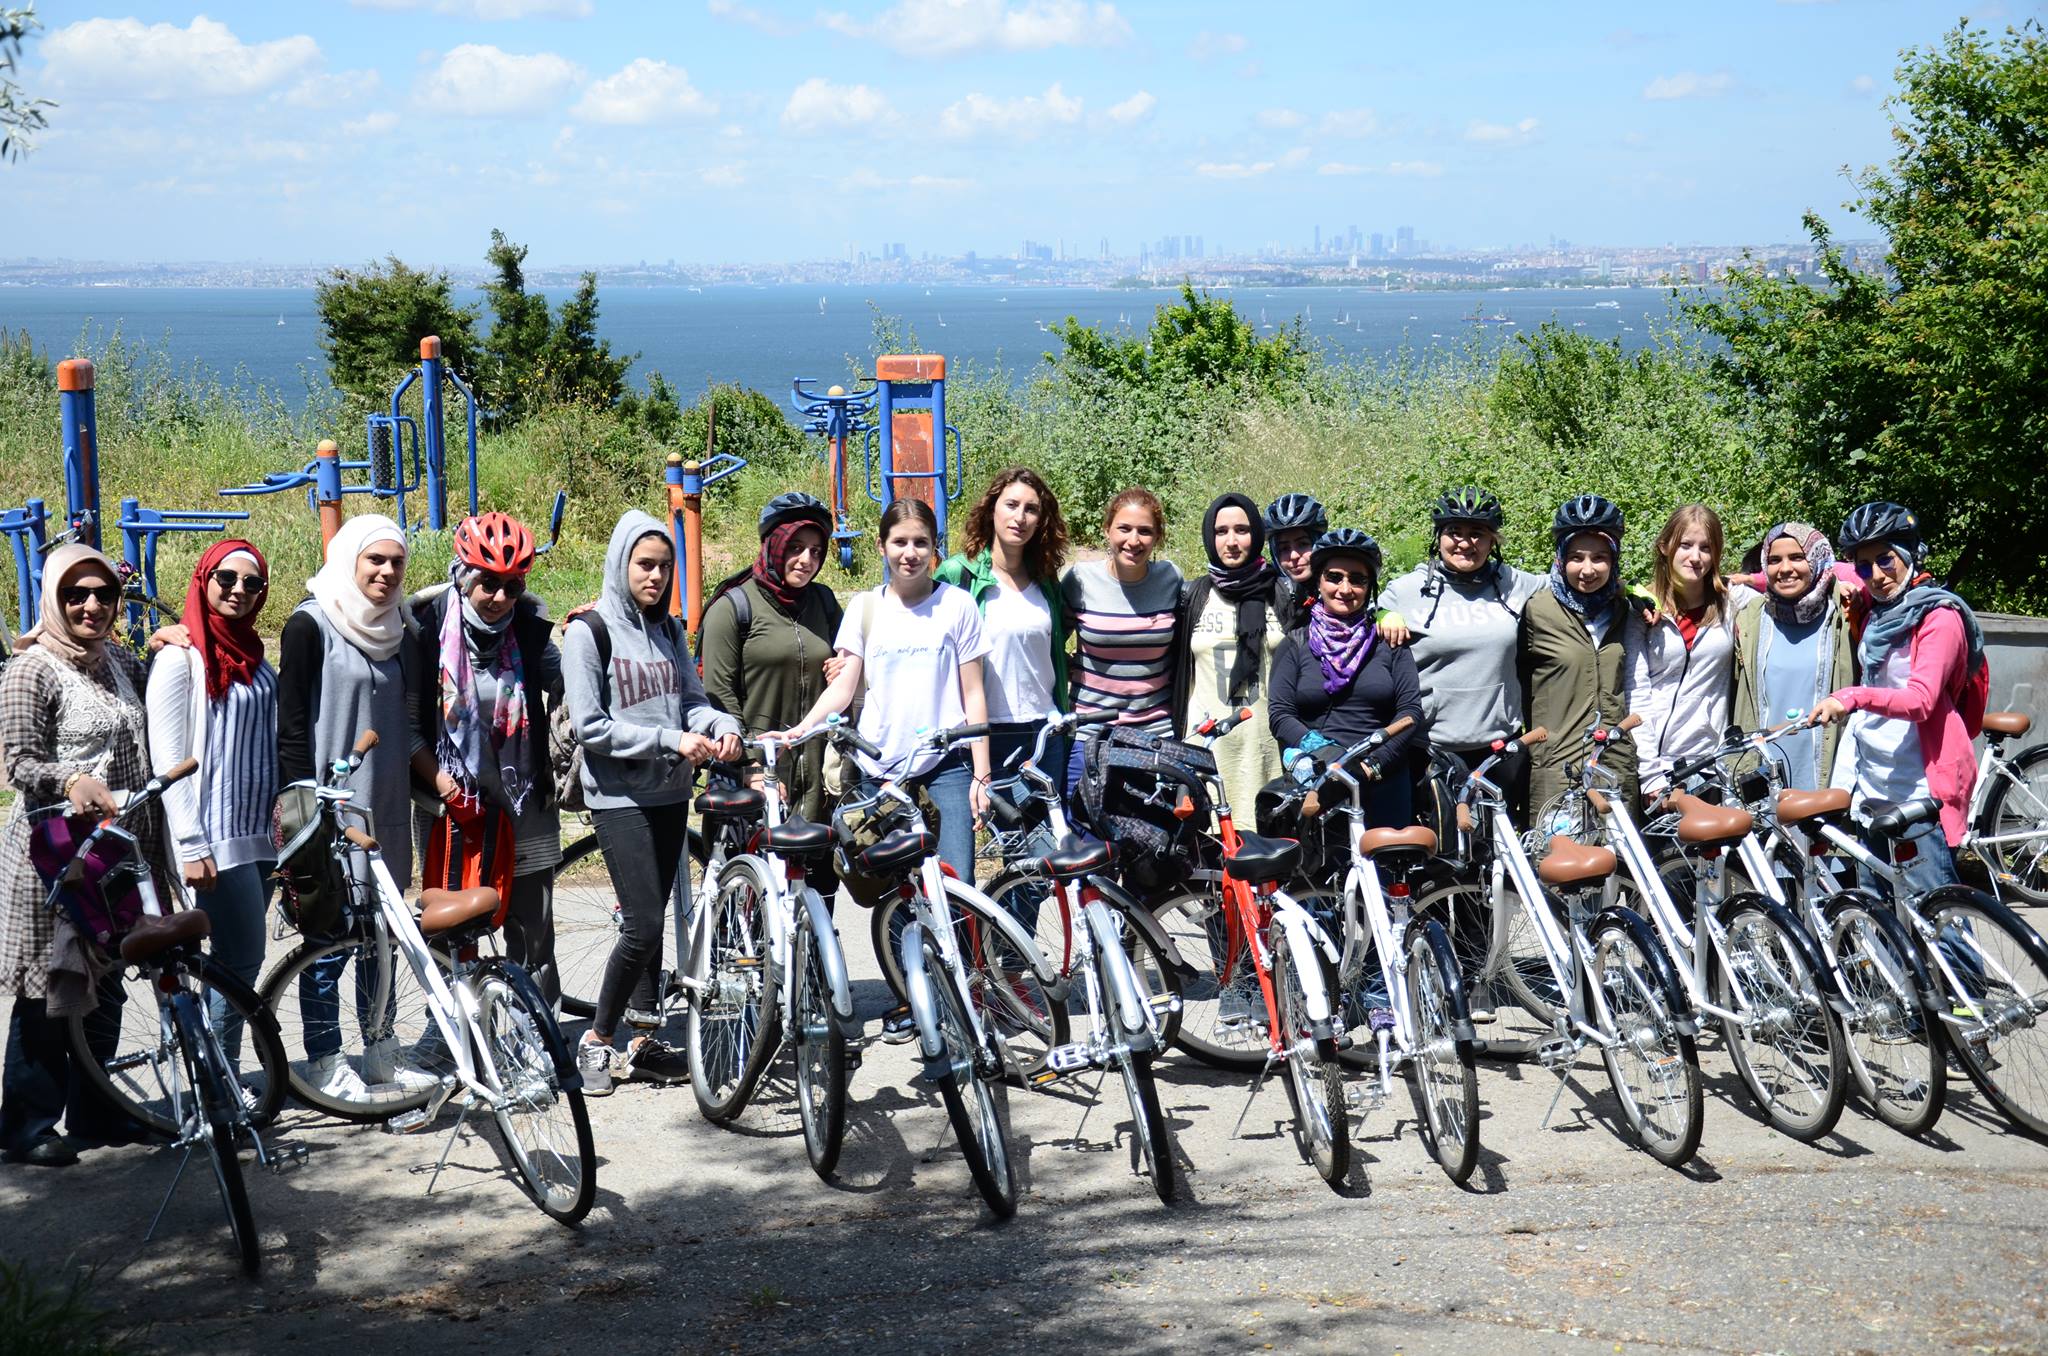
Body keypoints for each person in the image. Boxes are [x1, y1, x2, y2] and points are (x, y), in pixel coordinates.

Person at [784, 497, 993, 1041]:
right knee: (897, 891)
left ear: (934, 548)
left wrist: (981, 774)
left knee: (954, 885)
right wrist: (801, 728)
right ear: (882, 546)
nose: (910, 553)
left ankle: (959, 1001)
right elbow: (844, 687)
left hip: (946, 765)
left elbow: (974, 693)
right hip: (880, 772)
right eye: (899, 542)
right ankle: (912, 997)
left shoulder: (956, 606)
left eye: (921, 542)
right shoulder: (864, 608)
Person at [2, 546, 176, 1166]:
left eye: (104, 594)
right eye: (76, 594)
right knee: (50, 988)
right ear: (53, 600)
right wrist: (71, 779)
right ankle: (25, 1127)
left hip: (115, 855)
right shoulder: (32, 671)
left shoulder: (119, 661)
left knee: (106, 978)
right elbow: (18, 762)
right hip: (52, 858)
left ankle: (98, 1111)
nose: (92, 606)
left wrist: (167, 647)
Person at [564, 510, 742, 1094]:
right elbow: (590, 727)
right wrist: (671, 740)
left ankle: (641, 1039)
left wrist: (721, 725)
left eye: (665, 567)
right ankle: (597, 1039)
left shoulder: (669, 630)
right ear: (621, 563)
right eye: (645, 564)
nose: (656, 576)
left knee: (651, 916)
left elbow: (691, 701)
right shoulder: (588, 633)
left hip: (670, 791)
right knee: (642, 925)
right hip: (619, 796)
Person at [277, 514, 439, 1102]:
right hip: (330, 809)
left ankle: (380, 1052)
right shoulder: (311, 623)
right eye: (375, 560)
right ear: (349, 560)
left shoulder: (403, 630)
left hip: (386, 807)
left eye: (397, 561)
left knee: (383, 936)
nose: (387, 572)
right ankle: (324, 1059)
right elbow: (292, 727)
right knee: (328, 941)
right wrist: (304, 810)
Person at [411, 512, 564, 1006]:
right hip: (450, 808)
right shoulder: (425, 630)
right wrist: (442, 782)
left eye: (512, 586)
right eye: (488, 583)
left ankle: (539, 1035)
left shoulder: (530, 631)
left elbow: (572, 682)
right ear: (462, 576)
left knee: (532, 933)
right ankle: (452, 1036)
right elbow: (406, 727)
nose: (499, 598)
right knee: (451, 936)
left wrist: (592, 629)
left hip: (523, 803)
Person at [144, 540, 276, 1066]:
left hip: (259, 835)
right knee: (241, 959)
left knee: (228, 962)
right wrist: (192, 843)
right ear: (204, 580)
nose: (239, 590)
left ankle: (208, 1070)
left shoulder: (256, 658)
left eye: (252, 583)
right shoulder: (179, 660)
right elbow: (168, 760)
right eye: (226, 578)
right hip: (213, 838)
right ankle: (221, 1076)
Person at [1811, 501, 1987, 897]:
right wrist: (1742, 580)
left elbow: (1921, 701)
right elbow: (1822, 570)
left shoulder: (1939, 617)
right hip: (1873, 781)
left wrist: (1852, 697)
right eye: (1863, 566)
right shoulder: (1878, 612)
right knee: (1881, 914)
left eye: (1885, 560)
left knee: (1937, 914)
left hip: (1919, 788)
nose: (1875, 575)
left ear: (1909, 554)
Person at [700, 492, 845, 871]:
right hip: (756, 776)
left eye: (816, 551)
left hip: (816, 778)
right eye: (795, 548)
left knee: (815, 896)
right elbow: (718, 696)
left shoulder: (823, 602)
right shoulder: (733, 607)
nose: (807, 560)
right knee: (754, 895)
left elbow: (851, 667)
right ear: (773, 546)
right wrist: (750, 767)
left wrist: (843, 668)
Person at [1375, 486, 1545, 805]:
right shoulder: (1405, 591)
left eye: (1477, 533)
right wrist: (1383, 614)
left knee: (1501, 836)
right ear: (1438, 537)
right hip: (1429, 750)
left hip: (1500, 748)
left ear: (1493, 541)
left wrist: (1632, 591)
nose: (1465, 543)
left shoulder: (1513, 582)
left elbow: (1570, 584)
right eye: (1454, 532)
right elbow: (1360, 611)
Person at [1268, 528, 1424, 828]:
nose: (1345, 588)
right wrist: (1325, 753)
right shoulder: (1296, 643)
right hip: (1317, 780)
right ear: (1318, 581)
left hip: (1382, 779)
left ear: (1370, 587)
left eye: (1357, 579)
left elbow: (1410, 713)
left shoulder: (1389, 643)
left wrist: (1369, 766)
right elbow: (1280, 714)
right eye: (1334, 577)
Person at [933, 467, 1072, 792]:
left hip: (1043, 730)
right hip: (982, 734)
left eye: (1031, 509)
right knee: (990, 825)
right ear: (992, 509)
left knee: (1048, 826)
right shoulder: (958, 574)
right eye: (1011, 505)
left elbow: (1052, 645)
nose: (1020, 517)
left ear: (1041, 520)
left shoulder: (1046, 579)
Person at [1521, 494, 1639, 819]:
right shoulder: (1536, 610)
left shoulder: (1625, 610)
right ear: (1560, 559)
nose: (1588, 569)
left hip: (1614, 760)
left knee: (1619, 850)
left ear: (1614, 560)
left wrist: (1637, 593)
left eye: (1599, 558)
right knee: (1558, 850)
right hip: (1558, 763)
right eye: (1577, 557)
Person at [1175, 492, 1291, 823]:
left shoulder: (1281, 593)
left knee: (1270, 845)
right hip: (1207, 749)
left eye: (1242, 530)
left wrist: (1385, 614)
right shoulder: (1192, 595)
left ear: (1257, 534)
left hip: (1267, 749)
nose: (1232, 541)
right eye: (1221, 531)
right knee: (1212, 849)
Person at [1062, 486, 1185, 774]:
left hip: (1156, 733)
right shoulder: (1080, 580)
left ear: (1158, 537)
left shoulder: (1171, 578)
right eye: (1124, 528)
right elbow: (1050, 641)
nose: (1134, 540)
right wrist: (1067, 666)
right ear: (1107, 530)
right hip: (1089, 733)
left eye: (1145, 531)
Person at [1731, 522, 1857, 790]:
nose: (1785, 568)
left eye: (1797, 557)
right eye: (1775, 560)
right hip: (1764, 775)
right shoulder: (1750, 619)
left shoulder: (1845, 615)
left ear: (1816, 559)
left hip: (1831, 777)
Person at [1628, 505, 1740, 796]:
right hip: (1655, 766)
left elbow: (1785, 585)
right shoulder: (1641, 611)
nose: (1696, 557)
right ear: (1665, 546)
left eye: (1706, 548)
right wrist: (1650, 773)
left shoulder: (1733, 602)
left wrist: (1841, 585)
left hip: (1711, 760)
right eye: (1685, 545)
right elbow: (1636, 692)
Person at [1263, 492, 1329, 631]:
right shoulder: (1268, 593)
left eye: (1303, 544)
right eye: (1284, 548)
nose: (1293, 556)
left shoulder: (1341, 586)